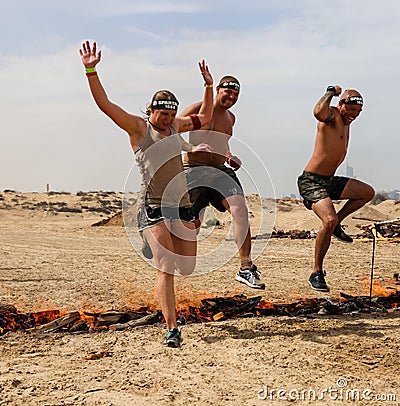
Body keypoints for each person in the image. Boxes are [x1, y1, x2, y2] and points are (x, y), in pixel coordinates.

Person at [79, 40, 214, 347]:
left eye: (171, 115)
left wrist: (208, 86)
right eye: (162, 114)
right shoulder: (138, 129)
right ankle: (172, 329)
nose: (166, 120)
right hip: (154, 207)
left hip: (181, 206)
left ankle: (181, 226)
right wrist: (90, 70)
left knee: (187, 268)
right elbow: (105, 105)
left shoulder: (175, 128)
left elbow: (204, 118)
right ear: (151, 110)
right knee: (166, 268)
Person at [179, 76, 265, 290]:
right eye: (228, 92)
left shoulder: (231, 118)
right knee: (192, 226)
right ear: (217, 89)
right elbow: (171, 134)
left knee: (240, 210)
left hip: (220, 171)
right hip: (195, 170)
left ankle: (246, 268)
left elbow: (222, 143)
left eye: (236, 94)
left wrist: (229, 156)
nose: (232, 97)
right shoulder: (197, 108)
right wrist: (191, 149)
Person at [297, 85, 375, 292]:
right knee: (328, 220)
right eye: (351, 110)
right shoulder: (331, 115)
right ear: (340, 105)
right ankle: (316, 273)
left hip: (329, 181)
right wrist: (331, 92)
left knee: (367, 192)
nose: (354, 115)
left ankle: (337, 224)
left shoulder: (347, 122)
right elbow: (317, 112)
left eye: (358, 112)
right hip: (311, 181)